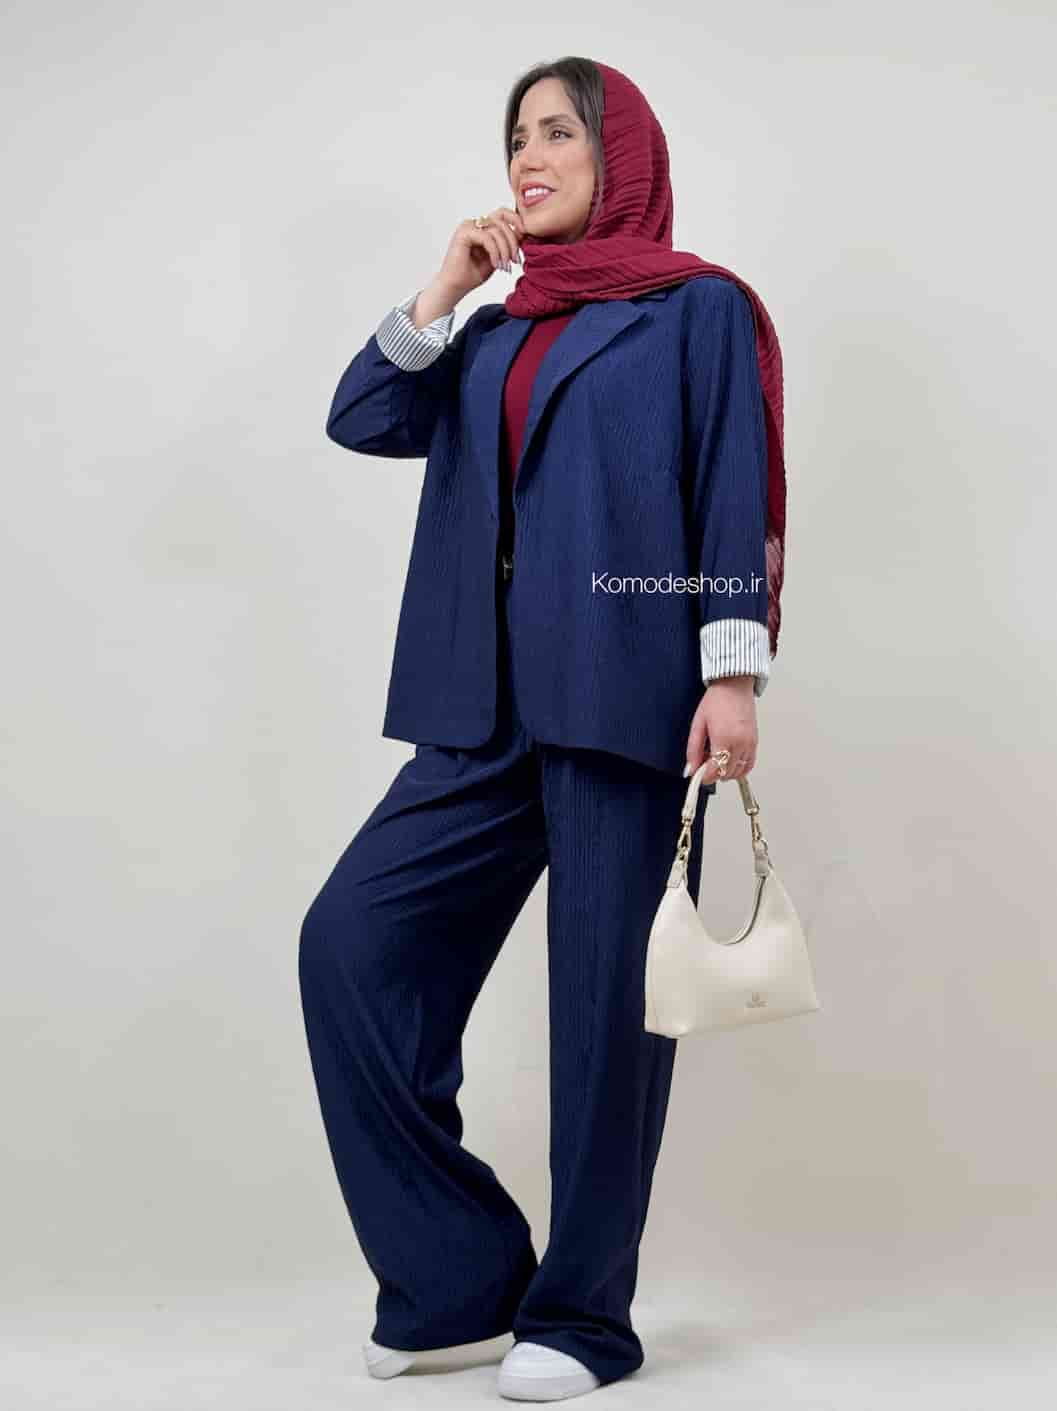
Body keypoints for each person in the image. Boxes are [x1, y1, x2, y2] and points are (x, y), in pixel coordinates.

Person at [298, 56, 787, 1402]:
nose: (529, 157)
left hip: (626, 697)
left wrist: (731, 675)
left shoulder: (695, 309)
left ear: (619, 154)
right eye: (517, 136)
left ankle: (583, 1318)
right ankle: (457, 1282)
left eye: (559, 132)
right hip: (478, 707)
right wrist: (441, 291)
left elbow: (728, 484)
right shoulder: (496, 327)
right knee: (350, 947)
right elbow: (363, 417)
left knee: (605, 1015)